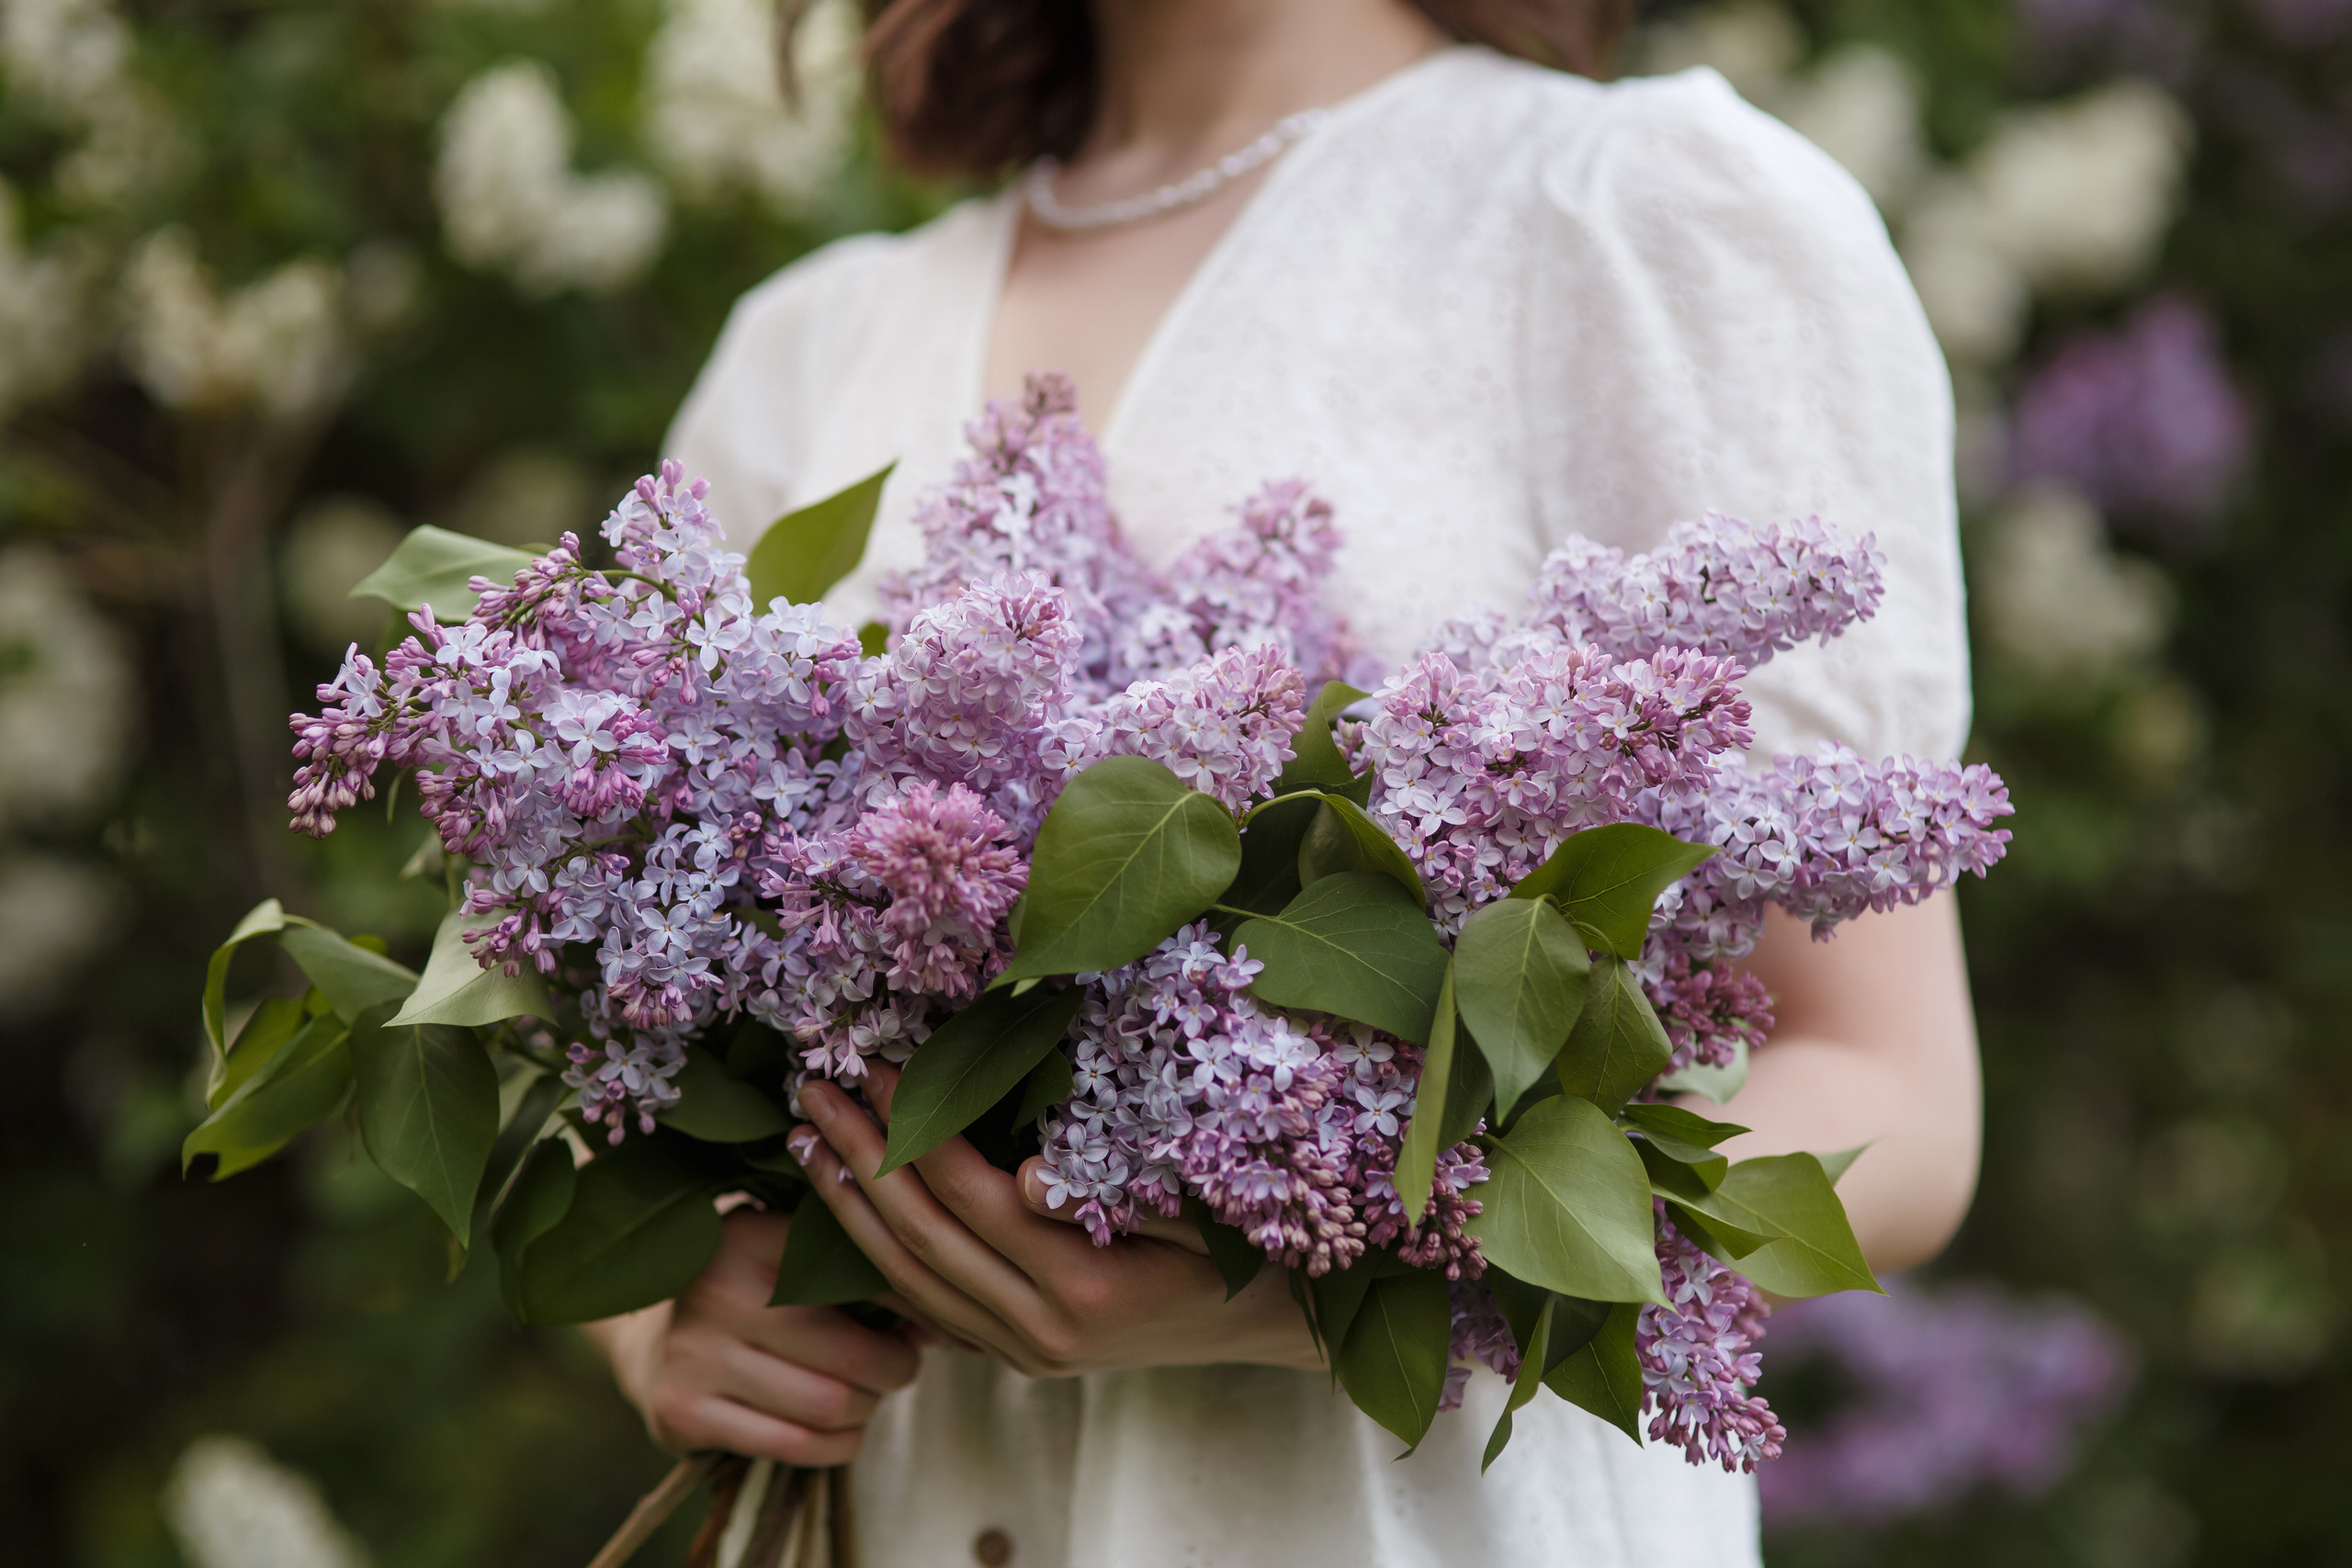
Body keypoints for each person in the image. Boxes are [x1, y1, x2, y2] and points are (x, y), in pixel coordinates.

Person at [582, 0, 1984, 1562]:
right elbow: (605, 974)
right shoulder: (811, 345)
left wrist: (1337, 1285)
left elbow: (1892, 1096)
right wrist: (663, 1315)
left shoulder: (1641, 214)